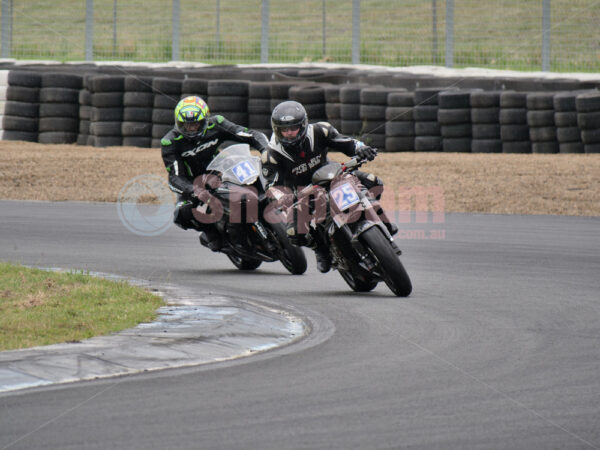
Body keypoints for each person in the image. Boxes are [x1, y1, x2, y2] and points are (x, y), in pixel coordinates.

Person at [261, 100, 397, 273]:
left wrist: (362, 149)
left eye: (293, 128)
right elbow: (272, 186)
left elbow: (348, 143)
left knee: (374, 182)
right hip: (302, 194)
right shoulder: (271, 154)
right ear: (276, 130)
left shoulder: (320, 131)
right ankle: (321, 250)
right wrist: (283, 198)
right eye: (284, 130)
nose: (289, 133)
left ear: (303, 125)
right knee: (295, 233)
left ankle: (378, 217)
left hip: (333, 176)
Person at [161, 95, 270, 251]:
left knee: (247, 168)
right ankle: (211, 232)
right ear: (178, 124)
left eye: (196, 124)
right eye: (186, 125)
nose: (191, 129)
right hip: (193, 185)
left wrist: (266, 150)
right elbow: (175, 176)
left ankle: (265, 200)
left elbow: (250, 134)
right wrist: (193, 190)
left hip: (221, 171)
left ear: (205, 120)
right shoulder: (170, 141)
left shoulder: (216, 123)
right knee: (183, 212)